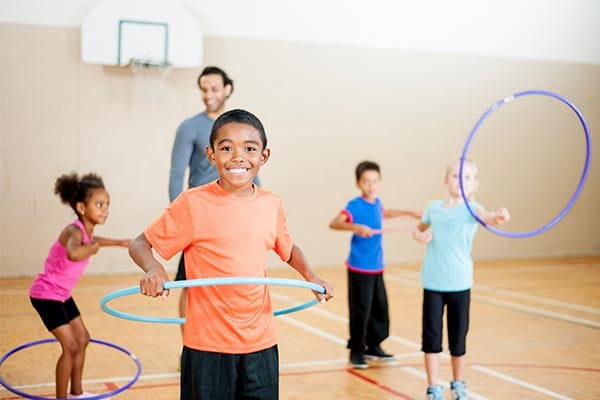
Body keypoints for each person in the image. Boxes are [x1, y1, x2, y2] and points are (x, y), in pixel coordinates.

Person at [129, 109, 334, 400]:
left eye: (249, 148)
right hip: (208, 347)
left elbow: (287, 250)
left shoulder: (271, 204)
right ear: (211, 155)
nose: (238, 157)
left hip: (261, 344)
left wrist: (311, 276)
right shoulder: (193, 203)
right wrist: (154, 269)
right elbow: (140, 243)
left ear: (264, 156)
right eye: (227, 148)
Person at [411, 159, 510, 400]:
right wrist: (420, 236)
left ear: (475, 184)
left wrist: (499, 217)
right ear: (445, 180)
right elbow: (418, 228)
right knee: (431, 339)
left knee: (458, 338)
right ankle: (434, 388)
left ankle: (458, 385)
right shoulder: (434, 207)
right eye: (455, 176)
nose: (460, 182)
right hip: (433, 283)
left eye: (467, 178)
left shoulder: (472, 209)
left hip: (460, 283)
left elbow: (487, 217)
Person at [169, 66, 256, 337]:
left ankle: (229, 338)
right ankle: (190, 346)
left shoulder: (242, 127)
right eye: (204, 90)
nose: (208, 95)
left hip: (236, 216)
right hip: (201, 216)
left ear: (227, 89)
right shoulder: (189, 128)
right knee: (190, 284)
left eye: (214, 89)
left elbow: (251, 169)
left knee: (232, 281)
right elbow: (176, 173)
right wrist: (178, 214)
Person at [29, 172, 130, 400]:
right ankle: (61, 398)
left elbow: (94, 241)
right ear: (82, 208)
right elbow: (75, 252)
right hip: (45, 295)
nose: (105, 209)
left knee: (83, 338)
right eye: (99, 204)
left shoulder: (87, 231)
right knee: (71, 345)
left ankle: (76, 393)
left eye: (107, 205)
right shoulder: (73, 231)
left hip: (62, 294)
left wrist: (120, 242)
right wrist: (92, 249)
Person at [329, 160, 421, 369]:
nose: (371, 185)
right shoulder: (354, 206)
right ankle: (356, 350)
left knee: (379, 309)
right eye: (366, 182)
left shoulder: (377, 203)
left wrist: (410, 213)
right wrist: (356, 227)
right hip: (359, 268)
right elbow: (335, 222)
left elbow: (385, 213)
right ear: (358, 183)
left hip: (377, 267)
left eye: (375, 181)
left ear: (380, 182)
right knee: (361, 310)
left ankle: (374, 346)